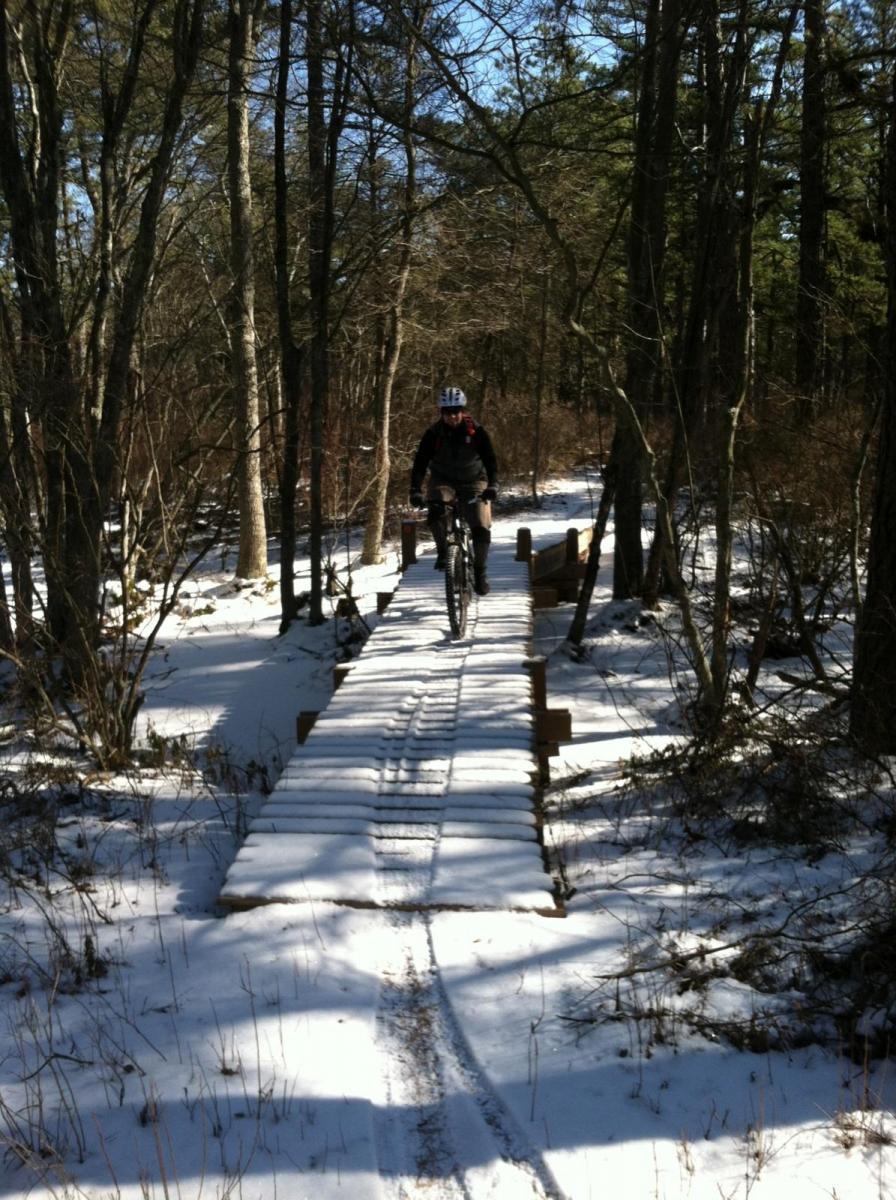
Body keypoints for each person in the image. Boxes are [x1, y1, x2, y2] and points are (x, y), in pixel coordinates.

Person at [409, 386, 498, 596]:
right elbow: (420, 463)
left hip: (474, 480)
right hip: (443, 480)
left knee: (480, 524)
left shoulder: (476, 431)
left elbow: (490, 460)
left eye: (456, 411)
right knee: (436, 505)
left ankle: (480, 572)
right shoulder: (433, 434)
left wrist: (493, 485)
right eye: (448, 412)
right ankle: (443, 552)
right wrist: (415, 489)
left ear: (463, 410)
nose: (452, 416)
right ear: (441, 413)